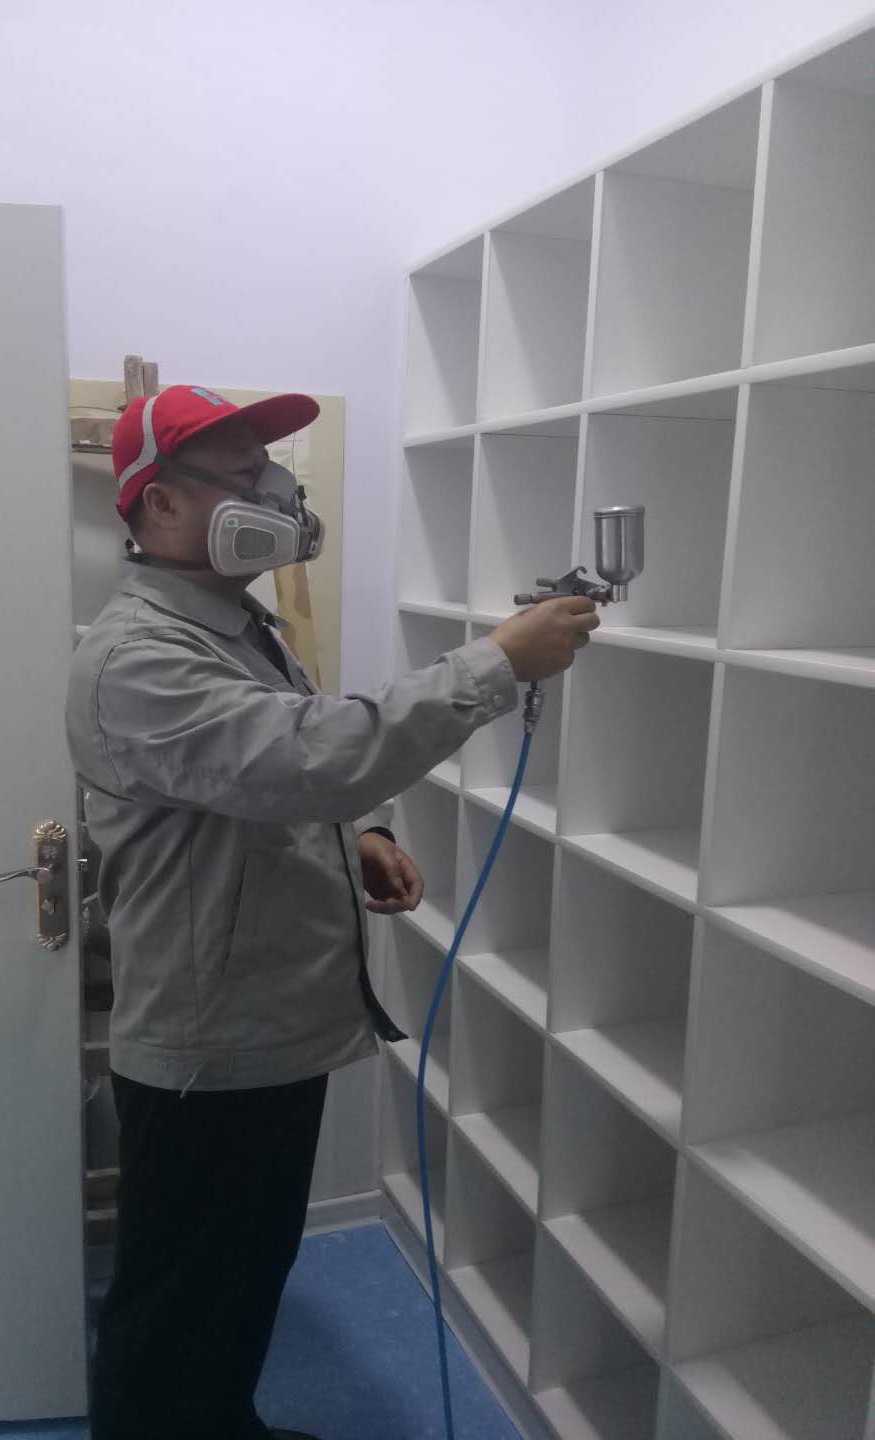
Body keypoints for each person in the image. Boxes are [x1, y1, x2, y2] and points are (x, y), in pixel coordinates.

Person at [65, 384, 598, 1440]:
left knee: (240, 1283)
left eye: (271, 469)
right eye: (241, 472)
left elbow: (257, 775)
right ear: (160, 502)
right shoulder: (139, 657)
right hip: (208, 1052)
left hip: (268, 1029)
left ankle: (228, 1428)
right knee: (175, 1310)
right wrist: (496, 663)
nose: (273, 490)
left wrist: (359, 837)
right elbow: (307, 756)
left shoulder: (234, 628)